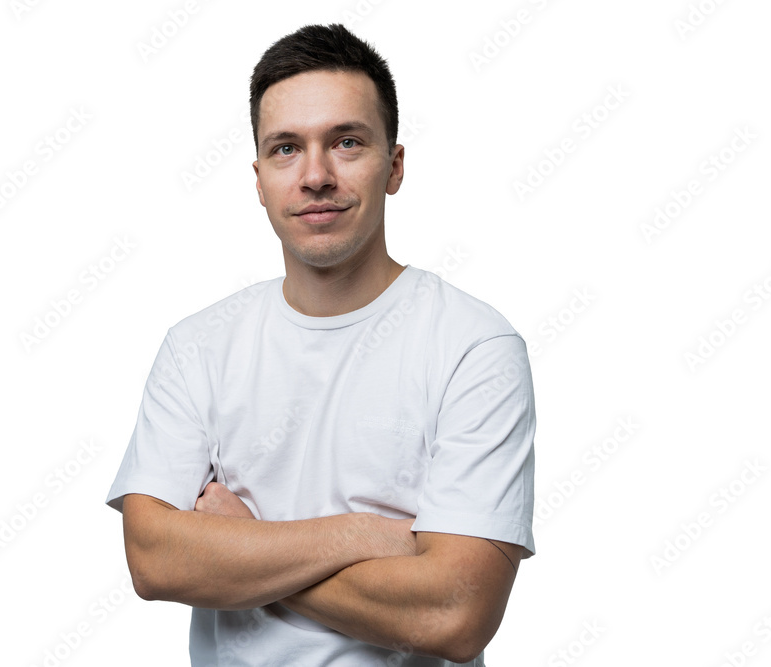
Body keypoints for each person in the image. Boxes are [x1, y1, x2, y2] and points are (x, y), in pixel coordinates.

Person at [105, 23, 536, 666]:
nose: (315, 175)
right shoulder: (197, 348)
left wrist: (243, 546)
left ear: (393, 167)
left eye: (346, 142)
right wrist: (366, 537)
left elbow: (455, 612)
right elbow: (155, 560)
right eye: (285, 149)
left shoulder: (474, 348)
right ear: (258, 180)